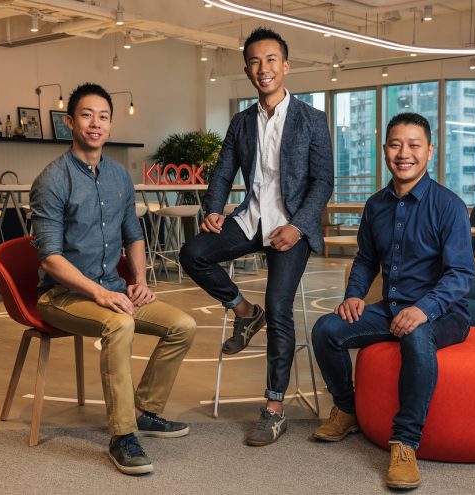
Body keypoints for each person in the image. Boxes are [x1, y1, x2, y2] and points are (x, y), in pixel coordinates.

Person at [30, 83, 196, 475]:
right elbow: (50, 259)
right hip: (63, 295)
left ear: (110, 124)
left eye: (103, 117)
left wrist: (138, 279)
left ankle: (145, 411)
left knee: (183, 326)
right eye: (86, 115)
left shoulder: (119, 177)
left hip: (113, 287)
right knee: (120, 323)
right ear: (70, 122)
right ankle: (122, 436)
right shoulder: (52, 179)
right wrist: (101, 294)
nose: (95, 123)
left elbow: (133, 236)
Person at [179, 27, 333, 446]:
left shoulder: (312, 120)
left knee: (280, 307)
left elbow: (323, 182)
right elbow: (224, 170)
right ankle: (245, 312)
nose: (262, 69)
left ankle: (274, 407)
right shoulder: (242, 121)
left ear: (285, 65)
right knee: (193, 252)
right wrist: (212, 208)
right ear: (247, 69)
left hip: (291, 228)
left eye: (270, 60)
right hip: (250, 220)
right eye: (254, 61)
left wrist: (299, 226)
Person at [310, 112, 475, 489]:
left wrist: (423, 310)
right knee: (327, 329)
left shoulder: (448, 205)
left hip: (444, 312)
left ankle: (405, 442)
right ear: (385, 150)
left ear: (429, 151)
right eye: (396, 144)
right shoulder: (376, 205)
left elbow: (461, 274)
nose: (405, 153)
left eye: (414, 145)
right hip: (390, 308)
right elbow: (367, 259)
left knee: (417, 335)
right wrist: (353, 294)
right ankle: (348, 409)